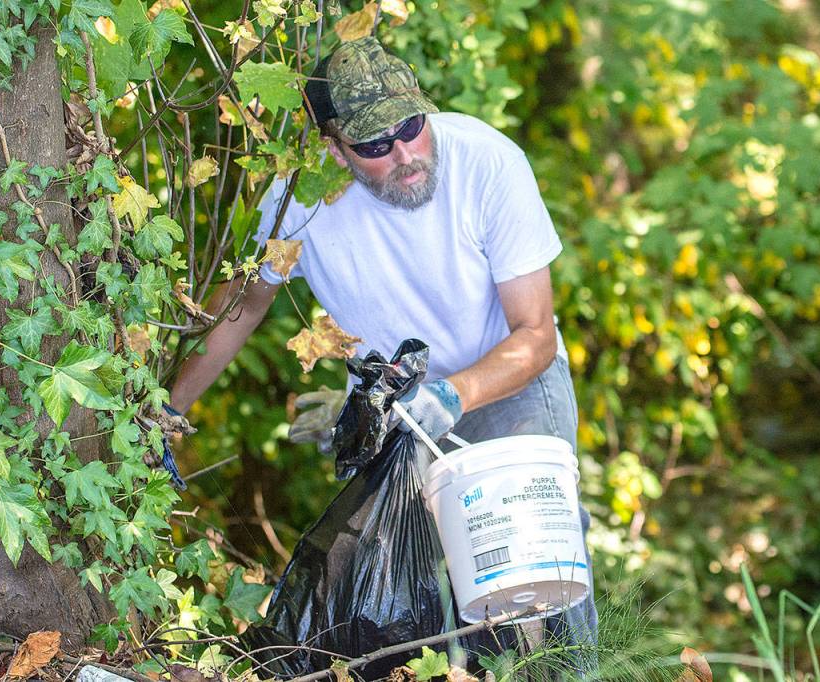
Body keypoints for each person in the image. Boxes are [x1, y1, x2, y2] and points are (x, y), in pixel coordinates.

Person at [169, 35, 597, 667]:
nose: (404, 155)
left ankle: (580, 673)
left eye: (411, 127)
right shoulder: (300, 202)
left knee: (536, 565)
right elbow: (244, 308)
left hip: (509, 381)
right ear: (333, 149)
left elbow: (533, 336)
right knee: (424, 584)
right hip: (397, 403)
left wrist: (454, 393)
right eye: (374, 145)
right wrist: (167, 411)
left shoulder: (487, 162)